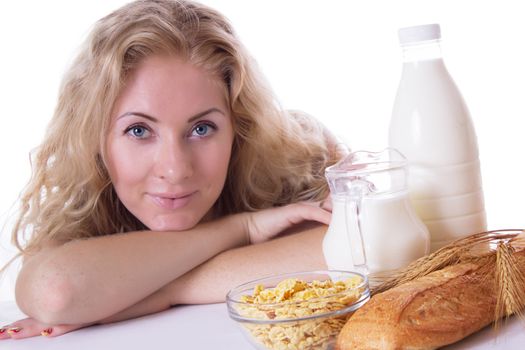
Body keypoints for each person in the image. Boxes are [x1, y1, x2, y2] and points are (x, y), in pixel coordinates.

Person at [0, 0, 340, 340]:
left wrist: (156, 290)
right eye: (139, 131)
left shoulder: (297, 157)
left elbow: (360, 247)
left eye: (202, 128)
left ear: (239, 128)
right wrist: (242, 229)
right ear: (94, 139)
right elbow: (54, 291)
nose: (175, 170)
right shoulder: (84, 209)